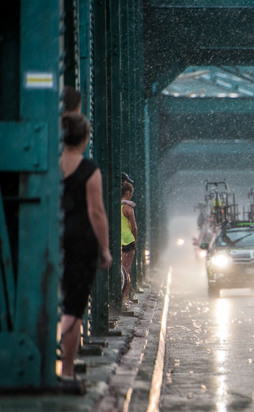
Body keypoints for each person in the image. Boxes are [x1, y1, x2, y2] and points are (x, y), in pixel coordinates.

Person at [59, 113, 112, 380]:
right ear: (85, 139)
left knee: (56, 299)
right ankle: (67, 370)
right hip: (81, 242)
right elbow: (97, 213)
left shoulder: (51, 164)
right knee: (74, 307)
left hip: (55, 239)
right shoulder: (89, 170)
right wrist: (105, 249)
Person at [121, 182, 138, 311]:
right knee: (127, 269)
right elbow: (134, 227)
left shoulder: (115, 206)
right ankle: (125, 298)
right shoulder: (128, 208)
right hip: (128, 241)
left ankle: (116, 294)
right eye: (131, 193)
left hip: (117, 242)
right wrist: (135, 239)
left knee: (118, 269)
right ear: (127, 193)